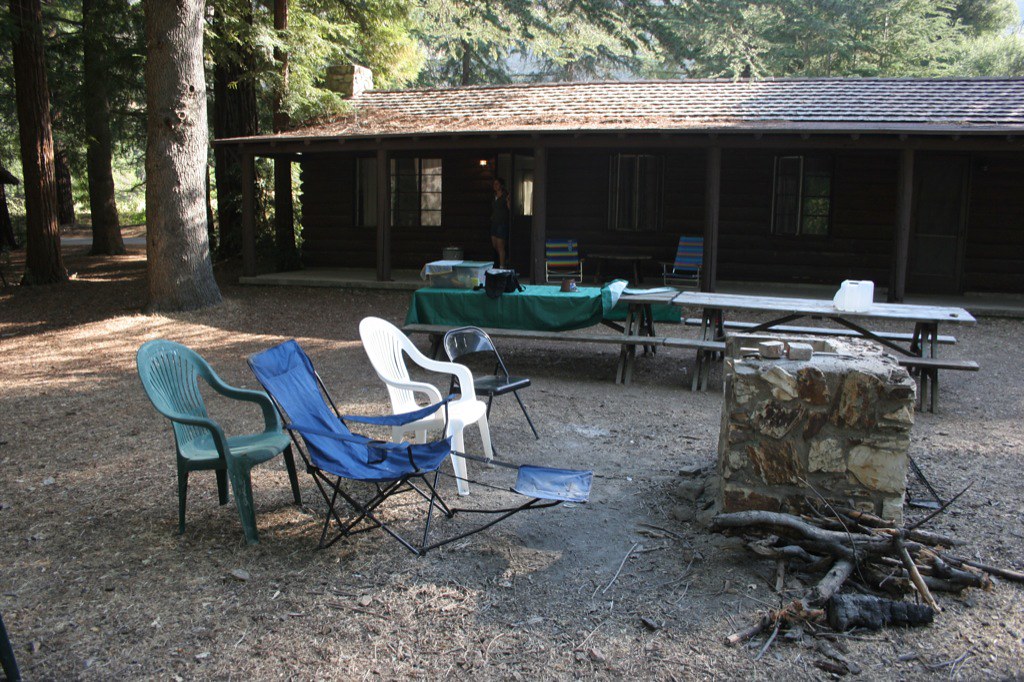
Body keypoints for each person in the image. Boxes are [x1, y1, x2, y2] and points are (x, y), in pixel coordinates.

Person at [490, 178, 511, 268]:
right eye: (494, 184)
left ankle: (502, 265)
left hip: (502, 222)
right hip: (494, 222)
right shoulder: (494, 196)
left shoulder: (505, 195)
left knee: (500, 245)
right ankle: (505, 258)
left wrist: (508, 201)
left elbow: (509, 208)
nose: (495, 186)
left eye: (497, 184)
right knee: (495, 244)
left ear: (501, 185)